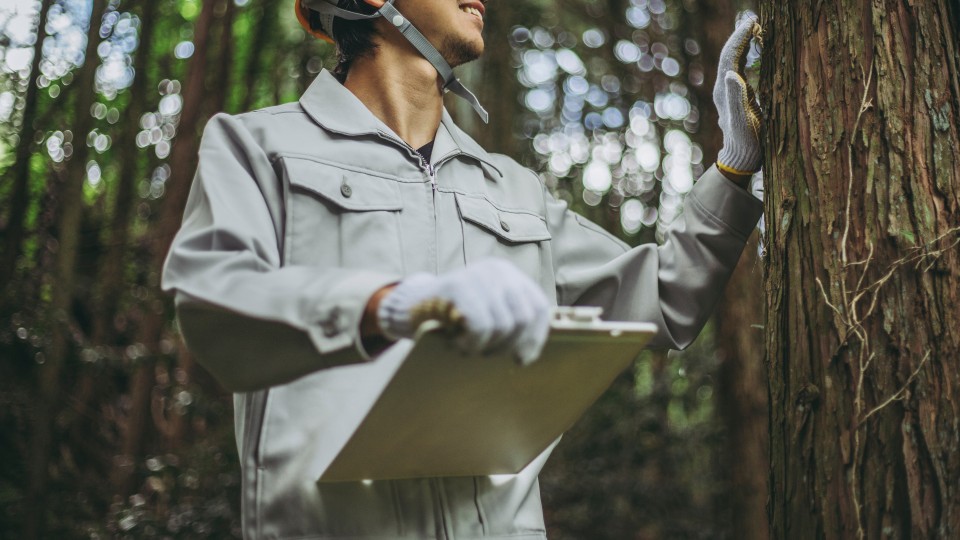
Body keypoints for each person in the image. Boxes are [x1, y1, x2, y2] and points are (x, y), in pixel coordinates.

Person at [161, 0, 764, 538]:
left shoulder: (513, 189)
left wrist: (733, 169)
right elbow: (213, 299)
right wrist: (387, 306)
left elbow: (660, 296)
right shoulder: (256, 147)